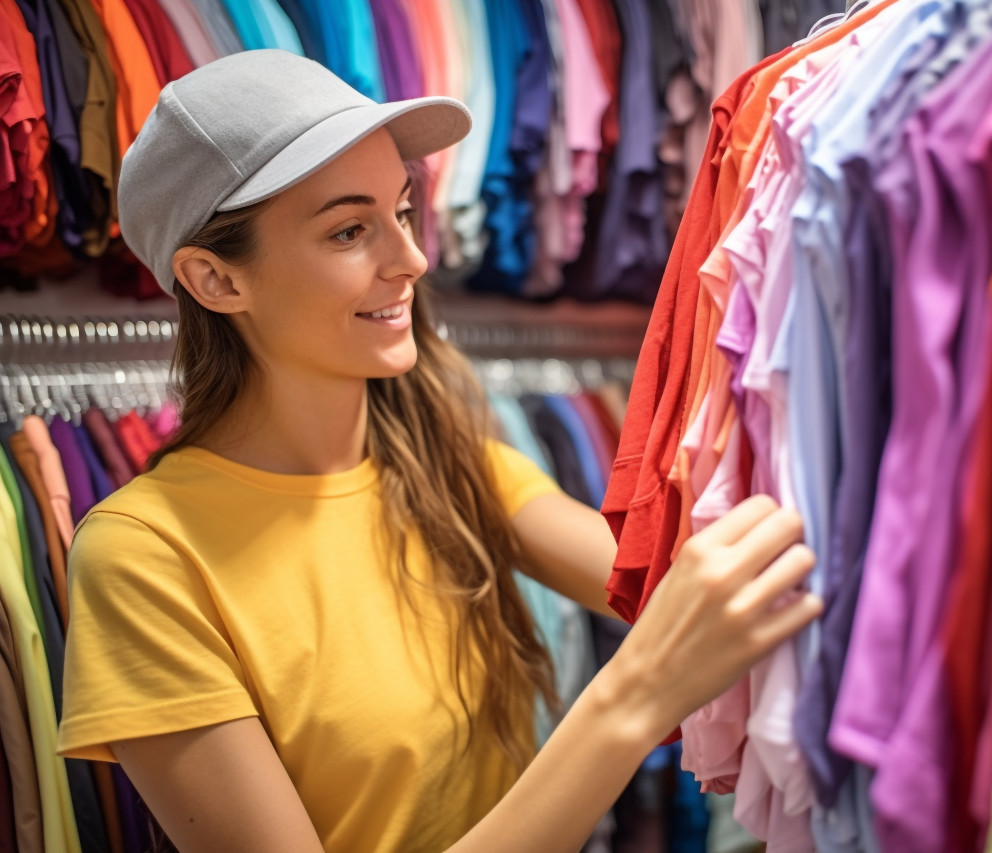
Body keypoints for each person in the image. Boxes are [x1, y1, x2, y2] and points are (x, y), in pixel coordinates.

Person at [56, 50, 821, 853]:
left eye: (403, 209)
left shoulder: (443, 459)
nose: (412, 259)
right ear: (215, 280)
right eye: (351, 229)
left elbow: (671, 583)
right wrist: (629, 698)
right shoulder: (145, 558)